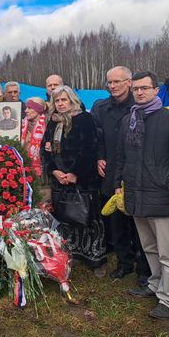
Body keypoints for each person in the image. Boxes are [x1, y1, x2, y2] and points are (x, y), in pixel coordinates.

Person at [115, 71, 169, 319]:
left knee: (168, 253)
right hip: (136, 196)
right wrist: (118, 184)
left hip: (161, 195)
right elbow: (121, 156)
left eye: (145, 88)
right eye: (136, 88)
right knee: (149, 247)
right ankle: (154, 283)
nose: (139, 92)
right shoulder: (130, 120)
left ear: (155, 89)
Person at [91, 66, 150, 286]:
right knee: (115, 222)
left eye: (117, 82)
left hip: (136, 174)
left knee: (138, 223)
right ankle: (124, 263)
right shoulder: (100, 107)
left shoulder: (140, 106)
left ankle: (144, 268)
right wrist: (99, 157)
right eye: (109, 82)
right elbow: (96, 137)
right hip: (110, 172)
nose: (113, 86)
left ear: (129, 82)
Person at [41, 86, 107, 273]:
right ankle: (73, 254)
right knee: (66, 217)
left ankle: (95, 259)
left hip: (83, 178)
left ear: (72, 101)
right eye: (57, 101)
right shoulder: (52, 121)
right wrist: (54, 171)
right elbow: (45, 149)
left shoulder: (84, 118)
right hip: (59, 179)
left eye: (64, 100)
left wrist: (75, 173)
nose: (61, 104)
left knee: (88, 217)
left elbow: (89, 148)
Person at [20, 97, 47, 177]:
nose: (26, 111)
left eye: (29, 108)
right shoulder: (22, 126)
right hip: (24, 168)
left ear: (38, 109)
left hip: (44, 171)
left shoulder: (47, 126)